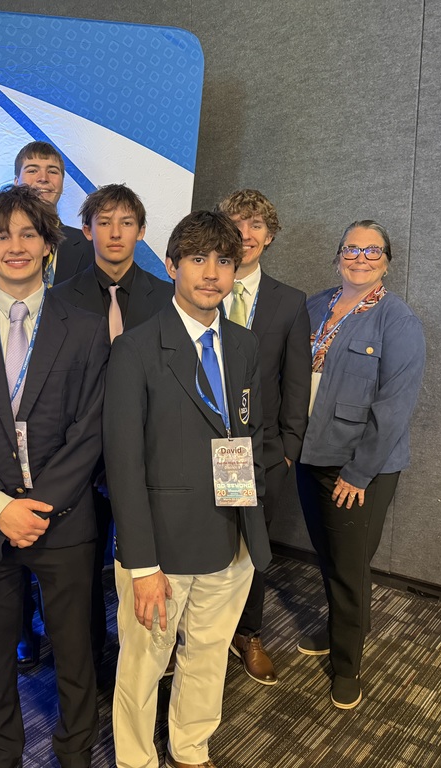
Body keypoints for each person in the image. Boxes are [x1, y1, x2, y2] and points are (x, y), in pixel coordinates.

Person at [0, 184, 108, 768]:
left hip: (65, 521)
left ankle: (74, 751)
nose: (15, 245)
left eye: (29, 233)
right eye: (1, 234)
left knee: (75, 652)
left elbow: (91, 428)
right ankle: (3, 755)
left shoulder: (85, 327)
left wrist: (41, 505)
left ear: (49, 245)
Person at [105, 210, 271, 768]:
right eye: (197, 259)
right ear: (172, 265)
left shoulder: (246, 346)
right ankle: (135, 758)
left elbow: (249, 437)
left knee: (206, 656)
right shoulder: (136, 349)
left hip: (231, 536)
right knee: (144, 661)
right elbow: (123, 465)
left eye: (224, 261)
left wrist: (252, 527)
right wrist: (142, 564)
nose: (211, 273)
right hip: (161, 551)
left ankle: (190, 747)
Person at [296, 220, 426, 710]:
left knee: (349, 567)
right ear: (338, 256)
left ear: (386, 262)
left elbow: (395, 405)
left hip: (359, 466)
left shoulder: (398, 320)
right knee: (330, 557)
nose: (361, 257)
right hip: (310, 454)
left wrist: (358, 472)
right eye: (352, 249)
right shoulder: (313, 306)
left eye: (373, 251)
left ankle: (348, 666)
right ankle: (337, 631)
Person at [51, 183, 172, 676]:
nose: (115, 232)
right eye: (104, 222)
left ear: (142, 232)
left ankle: (141, 664)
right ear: (86, 230)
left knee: (145, 565)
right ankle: (90, 662)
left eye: (126, 223)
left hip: (147, 456)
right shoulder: (60, 299)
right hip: (79, 458)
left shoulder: (167, 297)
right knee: (81, 572)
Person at [216, 189, 310, 685]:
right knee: (200, 541)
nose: (244, 234)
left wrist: (289, 451)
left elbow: (295, 384)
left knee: (253, 546)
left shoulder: (289, 303)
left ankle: (248, 632)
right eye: (235, 223)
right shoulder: (200, 288)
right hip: (200, 447)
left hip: (261, 453)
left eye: (255, 226)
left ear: (269, 236)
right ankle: (192, 635)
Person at [0, 141, 92, 301]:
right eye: (32, 170)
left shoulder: (89, 244)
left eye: (52, 171)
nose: (43, 178)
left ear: (62, 183)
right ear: (16, 181)